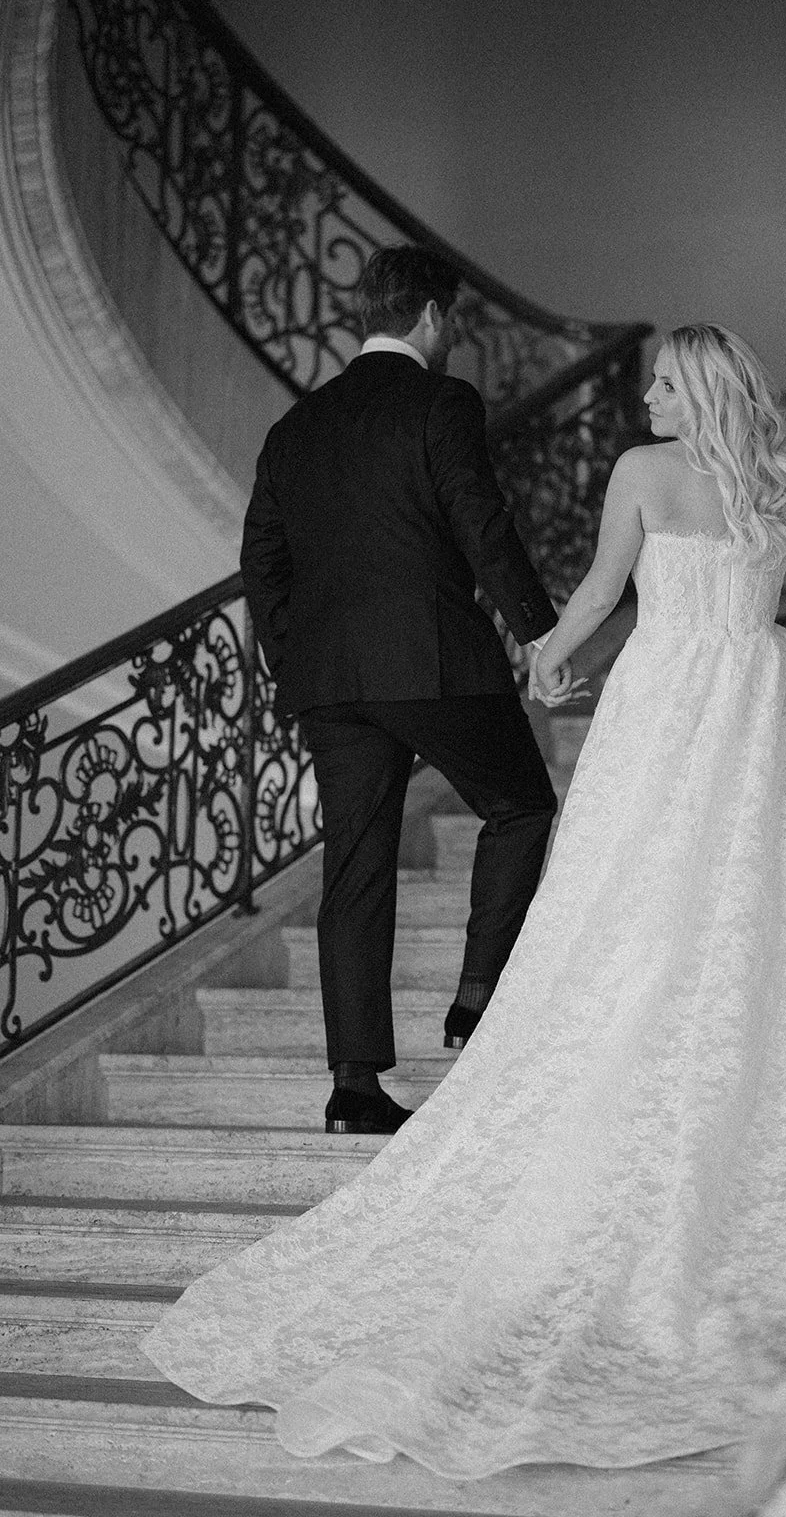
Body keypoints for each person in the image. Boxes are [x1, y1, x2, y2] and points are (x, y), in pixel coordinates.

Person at [144, 323, 786, 1489]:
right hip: (757, 701)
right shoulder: (785, 465)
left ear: (693, 382)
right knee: (744, 908)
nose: (642, 393)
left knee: (627, 900)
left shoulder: (643, 475)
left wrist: (544, 656)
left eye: (657, 376)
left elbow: (602, 592)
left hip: (662, 699)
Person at [240, 245, 569, 1137]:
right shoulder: (441, 401)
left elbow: (260, 563)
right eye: (453, 320)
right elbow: (479, 522)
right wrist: (543, 632)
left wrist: (298, 660)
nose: (453, 334)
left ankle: (354, 1085)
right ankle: (475, 998)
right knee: (521, 806)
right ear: (430, 316)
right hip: (432, 663)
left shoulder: (295, 427)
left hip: (330, 682)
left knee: (354, 866)